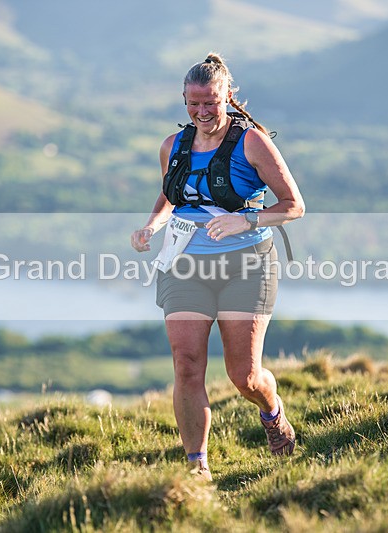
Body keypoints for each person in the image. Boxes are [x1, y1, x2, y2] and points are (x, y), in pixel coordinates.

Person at [131, 52, 305, 481]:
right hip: (184, 264)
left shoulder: (252, 143)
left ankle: (272, 411)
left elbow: (294, 206)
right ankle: (197, 467)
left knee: (243, 375)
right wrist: (151, 226)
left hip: (247, 264)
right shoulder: (173, 146)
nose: (202, 111)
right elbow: (170, 195)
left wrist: (245, 218)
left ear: (228, 95)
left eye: (211, 101)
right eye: (194, 103)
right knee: (186, 364)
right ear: (184, 101)